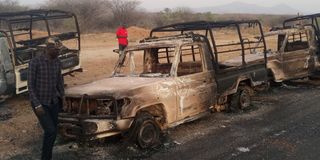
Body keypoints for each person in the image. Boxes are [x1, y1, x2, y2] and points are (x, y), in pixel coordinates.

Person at [28, 37, 64, 160]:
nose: (59, 53)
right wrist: (37, 104)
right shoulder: (35, 62)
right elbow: (30, 86)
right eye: (57, 50)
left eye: (59, 50)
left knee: (53, 132)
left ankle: (47, 155)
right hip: (40, 104)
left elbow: (59, 81)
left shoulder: (57, 62)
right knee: (50, 131)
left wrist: (63, 97)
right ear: (49, 49)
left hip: (53, 102)